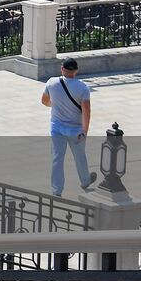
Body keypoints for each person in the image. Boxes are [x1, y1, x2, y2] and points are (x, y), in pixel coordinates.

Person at [41, 58, 98, 196]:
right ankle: (85, 180)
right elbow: (86, 111)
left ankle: (57, 190)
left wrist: (54, 105)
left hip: (57, 128)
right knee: (80, 157)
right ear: (76, 71)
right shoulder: (82, 87)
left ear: (62, 69)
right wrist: (85, 131)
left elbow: (44, 101)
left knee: (57, 159)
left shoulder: (51, 82)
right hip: (76, 130)